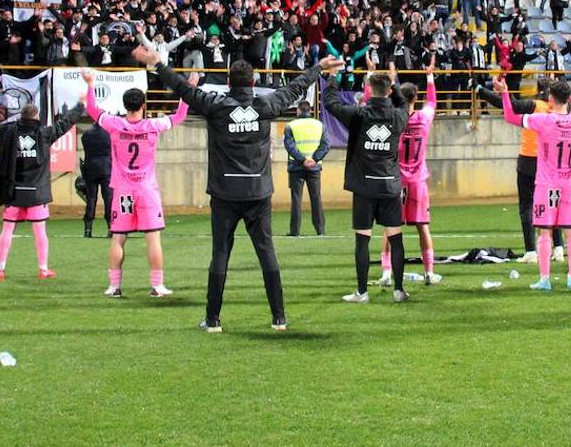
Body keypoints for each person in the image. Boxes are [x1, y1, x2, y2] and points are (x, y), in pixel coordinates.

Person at [143, 45, 337, 334]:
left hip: (224, 194)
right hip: (258, 192)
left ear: (229, 83)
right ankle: (279, 318)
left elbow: (183, 89)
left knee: (220, 253)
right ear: (254, 84)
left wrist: (158, 64)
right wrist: (318, 68)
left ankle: (213, 320)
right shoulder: (265, 105)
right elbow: (295, 88)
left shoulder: (217, 105)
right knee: (266, 252)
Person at [82, 69, 190, 298]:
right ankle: (157, 286)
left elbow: (92, 110)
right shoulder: (153, 126)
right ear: (143, 105)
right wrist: (186, 91)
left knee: (119, 237)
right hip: (146, 190)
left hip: (123, 192)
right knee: (153, 237)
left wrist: (90, 84)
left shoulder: (114, 124)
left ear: (125, 105)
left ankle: (114, 286)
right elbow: (179, 116)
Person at [324, 62, 411, 303]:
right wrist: (395, 84)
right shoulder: (398, 116)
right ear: (390, 90)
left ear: (369, 90)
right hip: (389, 185)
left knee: (363, 238)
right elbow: (405, 104)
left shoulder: (359, 115)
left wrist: (332, 78)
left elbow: (331, 104)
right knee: (395, 237)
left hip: (364, 186)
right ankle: (399, 290)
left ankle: (362, 292)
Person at [498, 74, 571, 291]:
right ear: (569, 99)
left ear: (550, 98)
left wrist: (504, 93)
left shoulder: (543, 120)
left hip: (546, 183)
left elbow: (511, 117)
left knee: (544, 231)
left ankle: (545, 279)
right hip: (568, 183)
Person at [0, 91, 85, 281]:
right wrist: (80, 105)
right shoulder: (44, 133)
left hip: (14, 192)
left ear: (21, 116)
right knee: (40, 233)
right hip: (37, 193)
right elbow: (66, 123)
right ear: (36, 116)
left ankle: (0, 269)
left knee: (7, 230)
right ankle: (43, 269)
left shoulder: (9, 131)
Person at [476, 77, 559, 262]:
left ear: (538, 89)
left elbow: (508, 107)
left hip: (529, 159)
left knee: (527, 206)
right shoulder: (559, 109)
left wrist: (481, 91)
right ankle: (559, 247)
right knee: (553, 204)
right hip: (551, 161)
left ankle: (531, 251)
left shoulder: (533, 105)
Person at [378, 59, 442, 287]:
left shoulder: (394, 119)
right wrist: (430, 76)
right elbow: (433, 102)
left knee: (390, 225)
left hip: (396, 179)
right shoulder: (424, 118)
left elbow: (383, 101)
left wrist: (391, 79)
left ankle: (386, 273)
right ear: (416, 98)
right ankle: (429, 272)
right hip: (417, 180)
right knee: (422, 226)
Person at [284, 100, 329, 237]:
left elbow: (290, 146)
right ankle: (320, 230)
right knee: (316, 198)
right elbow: (325, 145)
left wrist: (302, 160)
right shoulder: (319, 125)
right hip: (314, 167)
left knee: (296, 199)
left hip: (296, 167)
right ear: (309, 110)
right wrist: (313, 159)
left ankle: (295, 231)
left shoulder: (291, 125)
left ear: (298, 110)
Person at [80, 119, 113, 238]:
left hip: (90, 169)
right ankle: (110, 228)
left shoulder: (86, 134)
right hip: (106, 169)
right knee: (108, 199)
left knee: (91, 199)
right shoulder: (109, 133)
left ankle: (88, 229)